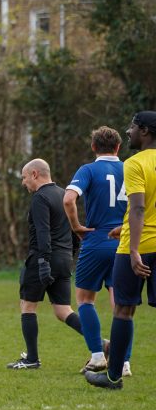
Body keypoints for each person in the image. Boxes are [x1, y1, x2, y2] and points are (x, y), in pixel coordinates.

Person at [86, 111, 156, 390]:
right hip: (138, 237)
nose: (128, 132)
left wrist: (135, 248)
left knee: (124, 310)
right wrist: (124, 228)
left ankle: (113, 377)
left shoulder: (135, 163)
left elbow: (138, 207)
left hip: (135, 249)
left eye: (132, 127)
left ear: (146, 131)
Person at [63, 127, 130, 375]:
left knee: (84, 300)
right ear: (118, 147)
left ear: (93, 147)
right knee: (122, 305)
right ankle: (123, 363)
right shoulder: (130, 168)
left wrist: (77, 227)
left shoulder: (88, 170)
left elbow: (69, 199)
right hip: (125, 242)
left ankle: (98, 355)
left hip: (96, 238)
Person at [7, 159, 85, 370]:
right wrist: (71, 254)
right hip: (64, 259)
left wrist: (42, 262)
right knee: (63, 310)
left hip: (43, 258)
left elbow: (42, 232)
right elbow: (74, 230)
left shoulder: (40, 198)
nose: (24, 183)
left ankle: (31, 358)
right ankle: (101, 344)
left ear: (34, 174)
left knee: (27, 306)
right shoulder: (63, 194)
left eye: (24, 177)